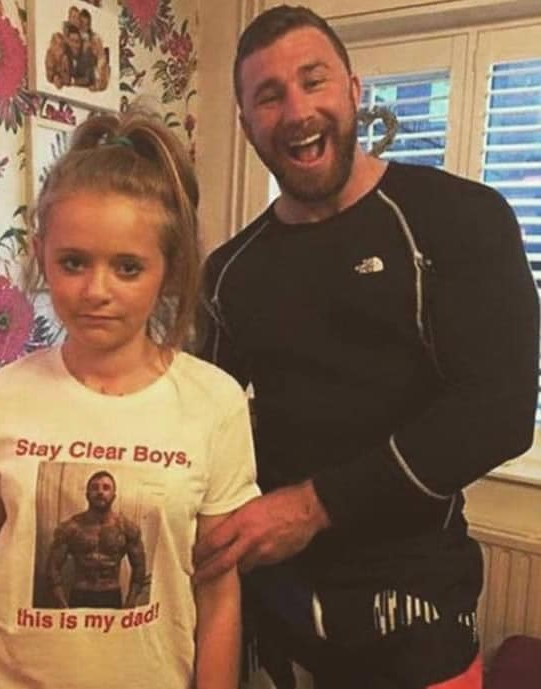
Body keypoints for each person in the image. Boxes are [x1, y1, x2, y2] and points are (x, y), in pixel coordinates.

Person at [194, 5, 539, 689]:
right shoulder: (231, 271)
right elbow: (201, 421)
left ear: (354, 90)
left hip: (418, 617)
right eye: (269, 95)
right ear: (246, 123)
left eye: (313, 80)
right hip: (273, 615)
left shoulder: (460, 217)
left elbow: (499, 410)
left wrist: (310, 506)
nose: (297, 110)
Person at [0, 108, 259, 689]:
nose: (96, 291)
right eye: (73, 263)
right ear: (42, 255)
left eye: (128, 268)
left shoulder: (215, 404)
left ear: (169, 269)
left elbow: (217, 597)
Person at [46, 470, 146, 609]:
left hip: (111, 595)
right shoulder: (71, 528)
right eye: (94, 488)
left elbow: (139, 568)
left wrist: (130, 602)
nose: (100, 492)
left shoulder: (126, 528)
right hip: (80, 594)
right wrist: (61, 604)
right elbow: (52, 568)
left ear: (114, 495)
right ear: (87, 494)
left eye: (106, 488)